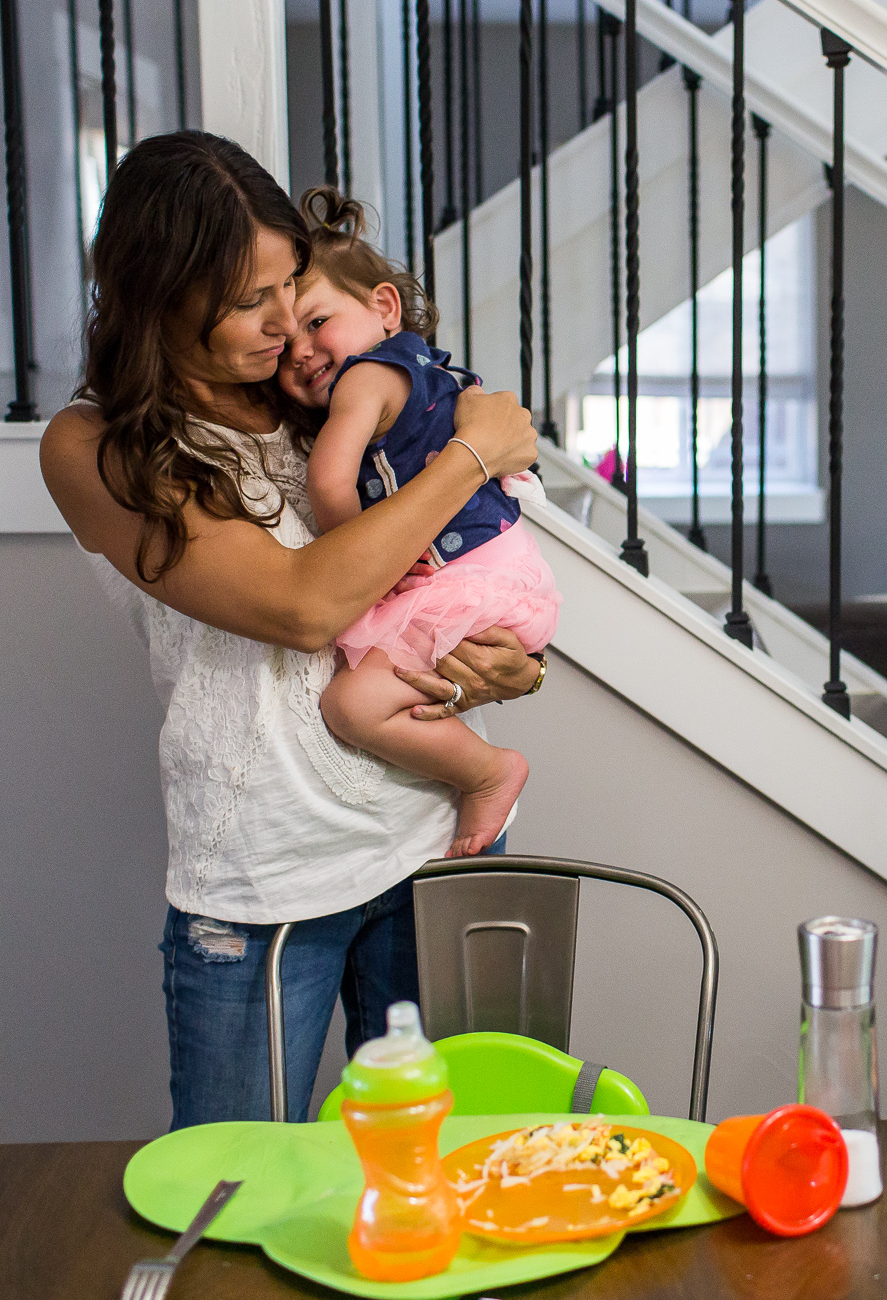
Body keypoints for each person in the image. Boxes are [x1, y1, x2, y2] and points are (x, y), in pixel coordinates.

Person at [41, 132, 542, 1128]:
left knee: (441, 1179)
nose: (281, 326)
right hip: (263, 878)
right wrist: (471, 454)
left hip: (428, 835)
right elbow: (304, 603)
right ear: (155, 297)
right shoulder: (95, 447)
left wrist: (502, 662)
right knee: (239, 1198)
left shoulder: (314, 386)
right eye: (243, 301)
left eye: (287, 286)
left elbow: (451, 559)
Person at [278, 188, 560, 859]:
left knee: (350, 706)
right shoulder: (430, 371)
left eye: (317, 322)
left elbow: (327, 479)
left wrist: (360, 558)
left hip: (465, 578)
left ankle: (487, 772)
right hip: (507, 573)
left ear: (384, 306)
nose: (301, 351)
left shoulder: (363, 379)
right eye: (285, 342)